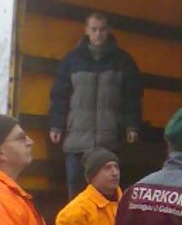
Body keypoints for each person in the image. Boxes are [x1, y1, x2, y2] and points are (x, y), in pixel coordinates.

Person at [48, 11, 144, 198]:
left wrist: (132, 125)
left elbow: (132, 97)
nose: (98, 34)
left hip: (108, 142)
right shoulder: (71, 60)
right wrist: (56, 125)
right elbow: (59, 96)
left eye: (102, 30)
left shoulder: (123, 61)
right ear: (86, 31)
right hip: (77, 141)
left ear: (108, 31)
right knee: (76, 192)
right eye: (94, 29)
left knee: (106, 193)